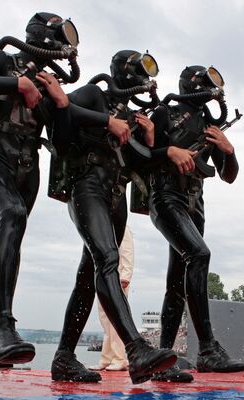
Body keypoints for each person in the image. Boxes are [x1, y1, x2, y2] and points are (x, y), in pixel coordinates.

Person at [0, 12, 106, 383]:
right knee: (12, 214)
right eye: (63, 36)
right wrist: (17, 83)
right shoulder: (1, 59)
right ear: (43, 36)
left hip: (27, 168)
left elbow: (63, 146)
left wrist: (61, 105)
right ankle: (2, 326)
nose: (69, 48)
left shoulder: (50, 83)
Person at [51, 50, 177, 384]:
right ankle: (136, 349)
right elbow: (58, 115)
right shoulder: (94, 94)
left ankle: (63, 357)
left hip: (116, 194)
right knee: (107, 258)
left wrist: (149, 141)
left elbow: (139, 166)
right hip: (87, 186)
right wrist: (107, 121)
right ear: (123, 72)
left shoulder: (132, 118)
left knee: (88, 274)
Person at [146, 65, 244, 382]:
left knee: (177, 279)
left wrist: (228, 151)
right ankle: (207, 349)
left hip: (195, 203)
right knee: (199, 255)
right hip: (166, 197)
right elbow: (140, 154)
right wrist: (169, 150)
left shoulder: (210, 125)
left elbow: (228, 176)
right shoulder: (166, 113)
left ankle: (164, 360)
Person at [90, 227, 134, 371]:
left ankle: (119, 358)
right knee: (105, 319)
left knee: (115, 319)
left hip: (117, 277)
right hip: (103, 277)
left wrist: (126, 273)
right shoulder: (102, 225)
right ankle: (107, 358)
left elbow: (127, 249)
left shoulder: (122, 224)